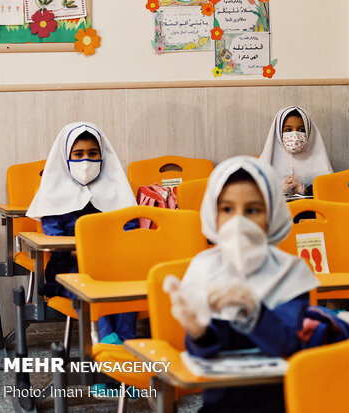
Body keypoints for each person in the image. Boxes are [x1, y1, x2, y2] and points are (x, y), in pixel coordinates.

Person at [165, 156, 322, 412]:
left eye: (252, 210)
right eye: (227, 209)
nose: (239, 222)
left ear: (271, 215)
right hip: (221, 405)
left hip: (281, 404)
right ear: (212, 214)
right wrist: (198, 331)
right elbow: (205, 355)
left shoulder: (290, 272)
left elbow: (288, 345)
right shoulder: (203, 268)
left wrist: (253, 312)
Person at [26, 121, 139, 343]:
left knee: (127, 285)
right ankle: (105, 348)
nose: (85, 160)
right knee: (91, 287)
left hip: (114, 263)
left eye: (92, 153)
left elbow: (131, 229)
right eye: (77, 154)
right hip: (70, 267)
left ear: (102, 155)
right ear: (66, 156)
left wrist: (110, 254)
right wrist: (89, 255)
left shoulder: (118, 189)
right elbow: (54, 240)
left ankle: (128, 349)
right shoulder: (53, 193)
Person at [258, 106, 332, 196]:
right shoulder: (266, 161)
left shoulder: (320, 161)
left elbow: (328, 192)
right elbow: (255, 193)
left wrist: (302, 189)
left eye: (301, 130)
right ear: (278, 132)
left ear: (309, 132)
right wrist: (280, 190)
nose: (295, 135)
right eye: (288, 130)